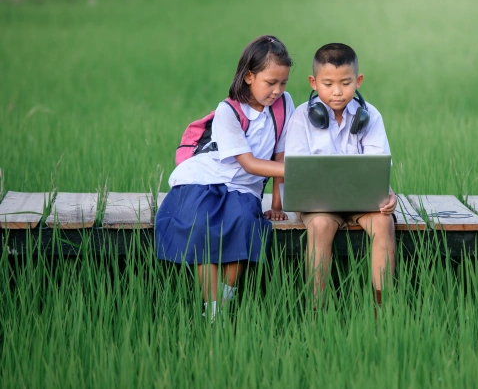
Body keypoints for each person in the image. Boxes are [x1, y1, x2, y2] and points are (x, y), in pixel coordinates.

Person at [155, 35, 293, 321]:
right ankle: (212, 309)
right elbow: (250, 162)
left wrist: (277, 206)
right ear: (249, 76)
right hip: (204, 177)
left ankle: (226, 301)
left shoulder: (283, 105)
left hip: (244, 186)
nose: (278, 90)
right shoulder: (227, 111)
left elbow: (280, 155)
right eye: (271, 83)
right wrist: (300, 170)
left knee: (243, 223)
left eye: (283, 83)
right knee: (203, 226)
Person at [285, 43, 396, 307]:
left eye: (345, 83)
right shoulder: (301, 117)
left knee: (383, 223)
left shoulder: (370, 117)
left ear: (358, 81)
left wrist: (386, 193)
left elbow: (377, 164)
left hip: (361, 200)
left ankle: (384, 310)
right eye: (328, 83)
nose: (337, 91)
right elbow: (297, 168)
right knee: (321, 226)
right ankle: (318, 310)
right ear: (313, 82)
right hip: (317, 203)